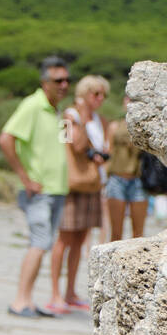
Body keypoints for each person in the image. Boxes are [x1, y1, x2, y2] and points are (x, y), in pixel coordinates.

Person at [0, 56, 71, 317]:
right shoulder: (32, 106)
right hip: (39, 191)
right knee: (39, 242)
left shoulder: (57, 111)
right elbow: (6, 139)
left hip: (57, 189)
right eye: (58, 80)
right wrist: (25, 177)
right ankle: (20, 300)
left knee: (45, 243)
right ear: (44, 82)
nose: (64, 85)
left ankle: (28, 300)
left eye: (67, 80)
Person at [47, 75, 109, 314]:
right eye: (96, 94)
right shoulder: (69, 117)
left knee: (80, 239)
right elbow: (71, 145)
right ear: (84, 94)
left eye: (103, 94)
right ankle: (55, 292)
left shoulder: (100, 120)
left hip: (92, 184)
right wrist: (81, 119)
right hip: (71, 184)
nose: (100, 99)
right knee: (64, 239)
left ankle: (70, 291)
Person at [104, 96, 147, 240]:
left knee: (138, 234)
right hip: (117, 178)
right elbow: (108, 152)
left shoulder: (144, 127)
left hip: (138, 179)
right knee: (116, 233)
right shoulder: (115, 126)